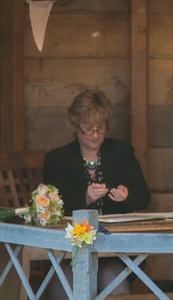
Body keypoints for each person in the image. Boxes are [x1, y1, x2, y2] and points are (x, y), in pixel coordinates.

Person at [43, 89, 151, 298]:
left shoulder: (121, 151)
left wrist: (126, 194)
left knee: (111, 276)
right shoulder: (58, 159)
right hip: (71, 247)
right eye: (88, 128)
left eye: (100, 128)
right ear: (76, 127)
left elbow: (144, 197)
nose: (94, 134)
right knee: (63, 279)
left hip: (116, 246)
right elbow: (53, 208)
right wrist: (85, 198)